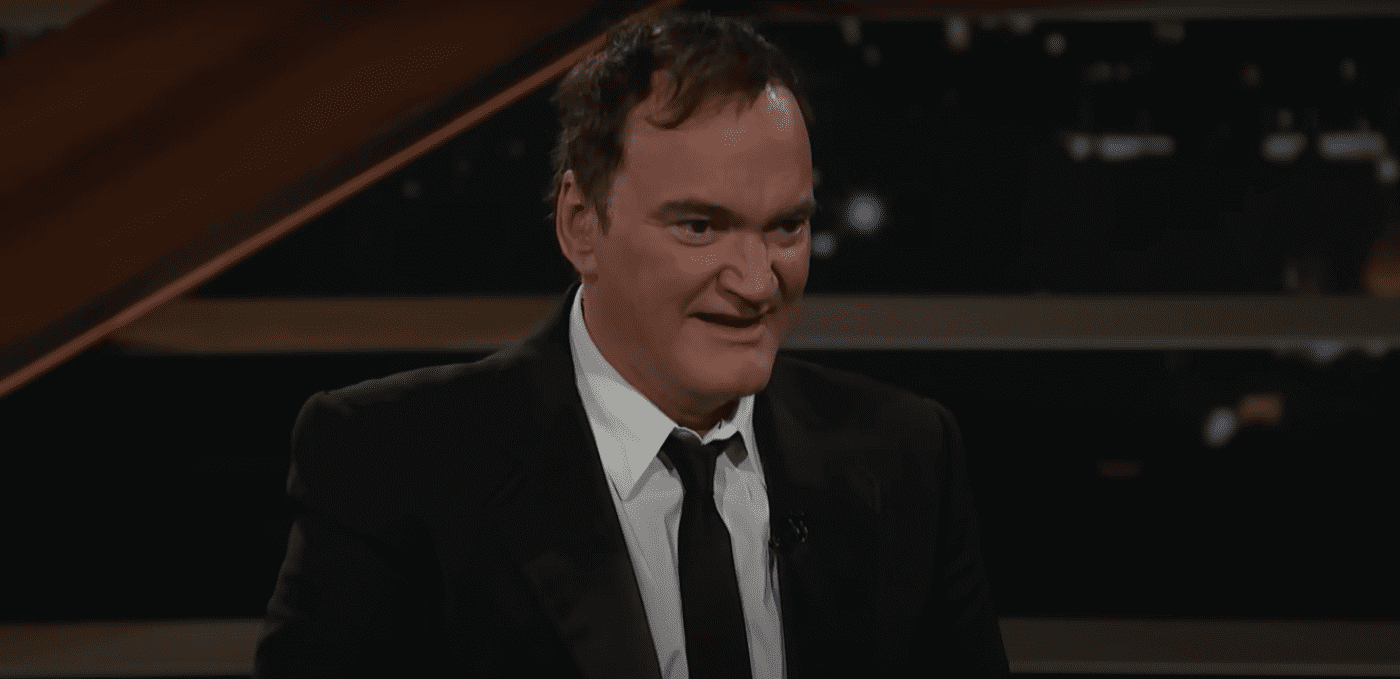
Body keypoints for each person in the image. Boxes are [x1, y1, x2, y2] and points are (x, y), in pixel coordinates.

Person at [253, 10, 1009, 678]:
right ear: (582, 224)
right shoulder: (394, 464)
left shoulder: (908, 456)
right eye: (700, 226)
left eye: (787, 226)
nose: (757, 281)